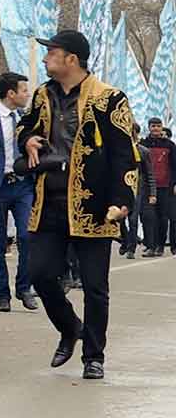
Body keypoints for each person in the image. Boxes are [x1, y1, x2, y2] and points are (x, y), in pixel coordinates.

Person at [13, 30, 141, 381]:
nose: (44, 58)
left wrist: (122, 201)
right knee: (39, 274)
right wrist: (28, 140)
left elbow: (125, 155)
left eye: (51, 52)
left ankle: (93, 355)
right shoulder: (42, 95)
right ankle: (70, 327)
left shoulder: (109, 99)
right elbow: (24, 128)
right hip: (49, 200)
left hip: (94, 207)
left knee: (95, 286)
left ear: (71, 58)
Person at [0, 71, 38, 311]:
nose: (27, 94)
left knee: (27, 236)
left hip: (23, 185)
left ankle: (24, 287)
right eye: (24, 90)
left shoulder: (27, 119)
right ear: (11, 93)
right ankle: (1, 294)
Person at [140, 117, 173, 257]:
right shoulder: (143, 144)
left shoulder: (170, 145)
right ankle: (150, 246)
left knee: (162, 217)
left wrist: (174, 183)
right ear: (149, 127)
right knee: (148, 217)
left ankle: (160, 245)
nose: (156, 128)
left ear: (162, 127)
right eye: (153, 126)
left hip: (165, 186)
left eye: (158, 126)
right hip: (147, 187)